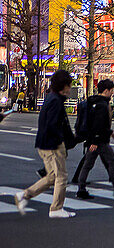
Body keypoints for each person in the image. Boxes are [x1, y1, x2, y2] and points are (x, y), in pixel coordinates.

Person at [13, 71, 79, 218]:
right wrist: (61, 141)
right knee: (61, 176)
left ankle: (24, 195)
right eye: (69, 85)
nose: (70, 88)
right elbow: (53, 125)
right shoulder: (56, 101)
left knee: (51, 177)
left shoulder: (51, 98)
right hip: (52, 144)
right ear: (64, 86)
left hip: (44, 143)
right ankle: (56, 209)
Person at [74, 78, 114, 199]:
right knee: (112, 162)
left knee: (88, 164)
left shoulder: (92, 101)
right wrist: (95, 140)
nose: (112, 93)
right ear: (106, 90)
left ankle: (81, 188)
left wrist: (110, 134)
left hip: (94, 139)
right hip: (99, 141)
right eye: (111, 91)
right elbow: (99, 124)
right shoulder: (102, 104)